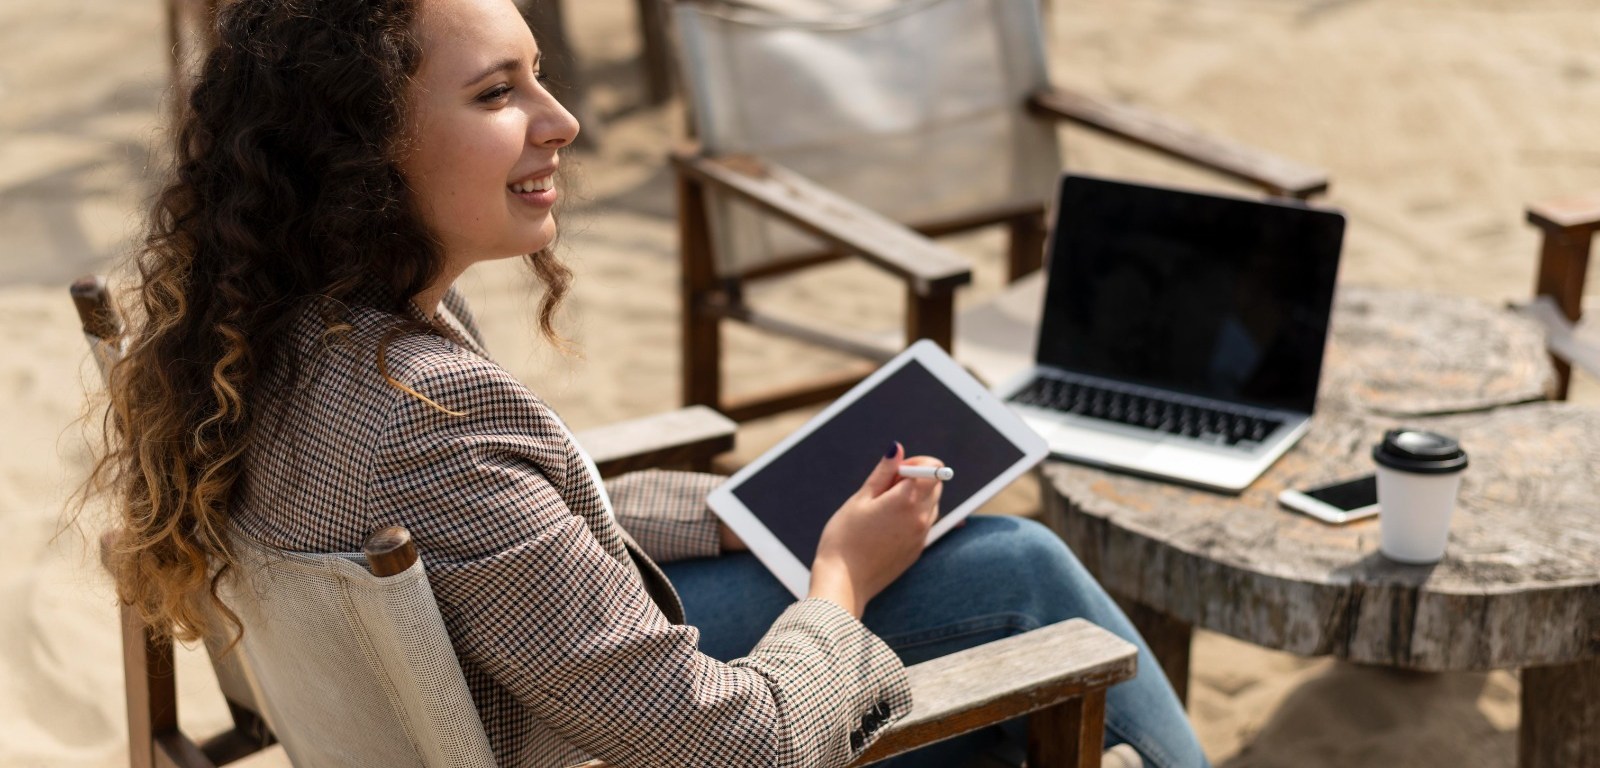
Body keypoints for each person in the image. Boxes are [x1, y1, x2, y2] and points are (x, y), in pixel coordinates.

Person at [87, 0, 1208, 765]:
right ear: (358, 150)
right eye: (497, 95)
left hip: (510, 681)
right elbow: (743, 749)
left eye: (539, 78)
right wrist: (838, 578)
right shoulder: (424, 419)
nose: (562, 122)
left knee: (980, 555)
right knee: (1018, 574)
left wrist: (738, 516)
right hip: (581, 733)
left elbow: (495, 545)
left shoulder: (277, 329)